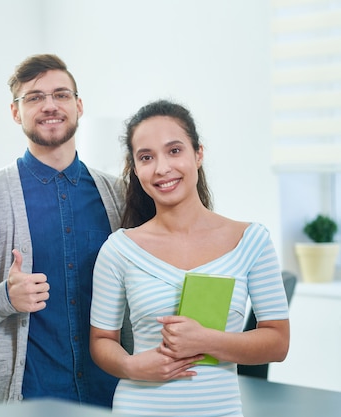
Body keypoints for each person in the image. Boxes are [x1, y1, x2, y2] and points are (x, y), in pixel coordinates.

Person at [0, 54, 131, 408]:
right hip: (29, 398)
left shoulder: (119, 196)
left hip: (115, 395)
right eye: (34, 97)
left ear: (78, 105)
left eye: (60, 95)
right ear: (16, 112)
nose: (50, 106)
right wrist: (6, 298)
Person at [89, 99, 290, 416]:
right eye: (146, 157)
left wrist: (206, 340)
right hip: (139, 408)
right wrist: (130, 365)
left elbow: (277, 343)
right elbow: (102, 340)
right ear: (135, 169)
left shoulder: (251, 241)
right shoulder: (119, 249)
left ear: (198, 154)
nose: (162, 168)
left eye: (174, 150)